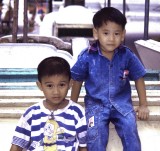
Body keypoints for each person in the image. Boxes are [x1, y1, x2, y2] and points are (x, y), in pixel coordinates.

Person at [71, 7, 150, 151]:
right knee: (95, 136)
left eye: (116, 33)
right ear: (96, 33)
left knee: (130, 130)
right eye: (106, 33)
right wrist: (72, 107)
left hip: (122, 105)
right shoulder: (87, 57)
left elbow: (139, 77)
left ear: (123, 35)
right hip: (96, 106)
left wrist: (143, 104)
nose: (111, 38)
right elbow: (77, 80)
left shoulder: (127, 55)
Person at [10, 56, 87, 151]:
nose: (56, 92)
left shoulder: (77, 112)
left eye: (62, 85)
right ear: (40, 86)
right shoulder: (31, 113)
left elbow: (83, 146)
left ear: (70, 84)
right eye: (49, 86)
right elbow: (17, 146)